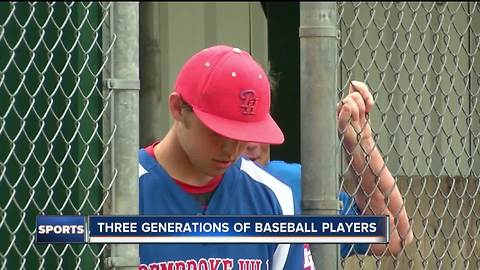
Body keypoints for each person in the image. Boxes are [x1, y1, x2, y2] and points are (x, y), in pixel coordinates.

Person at [139, 45, 309, 270]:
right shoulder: (119, 192)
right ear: (178, 108)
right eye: (219, 132)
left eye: (244, 134)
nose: (231, 149)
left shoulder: (275, 198)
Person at [243, 81, 414, 257]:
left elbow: (396, 237)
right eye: (239, 129)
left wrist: (361, 142)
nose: (253, 144)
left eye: (259, 124)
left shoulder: (288, 183)